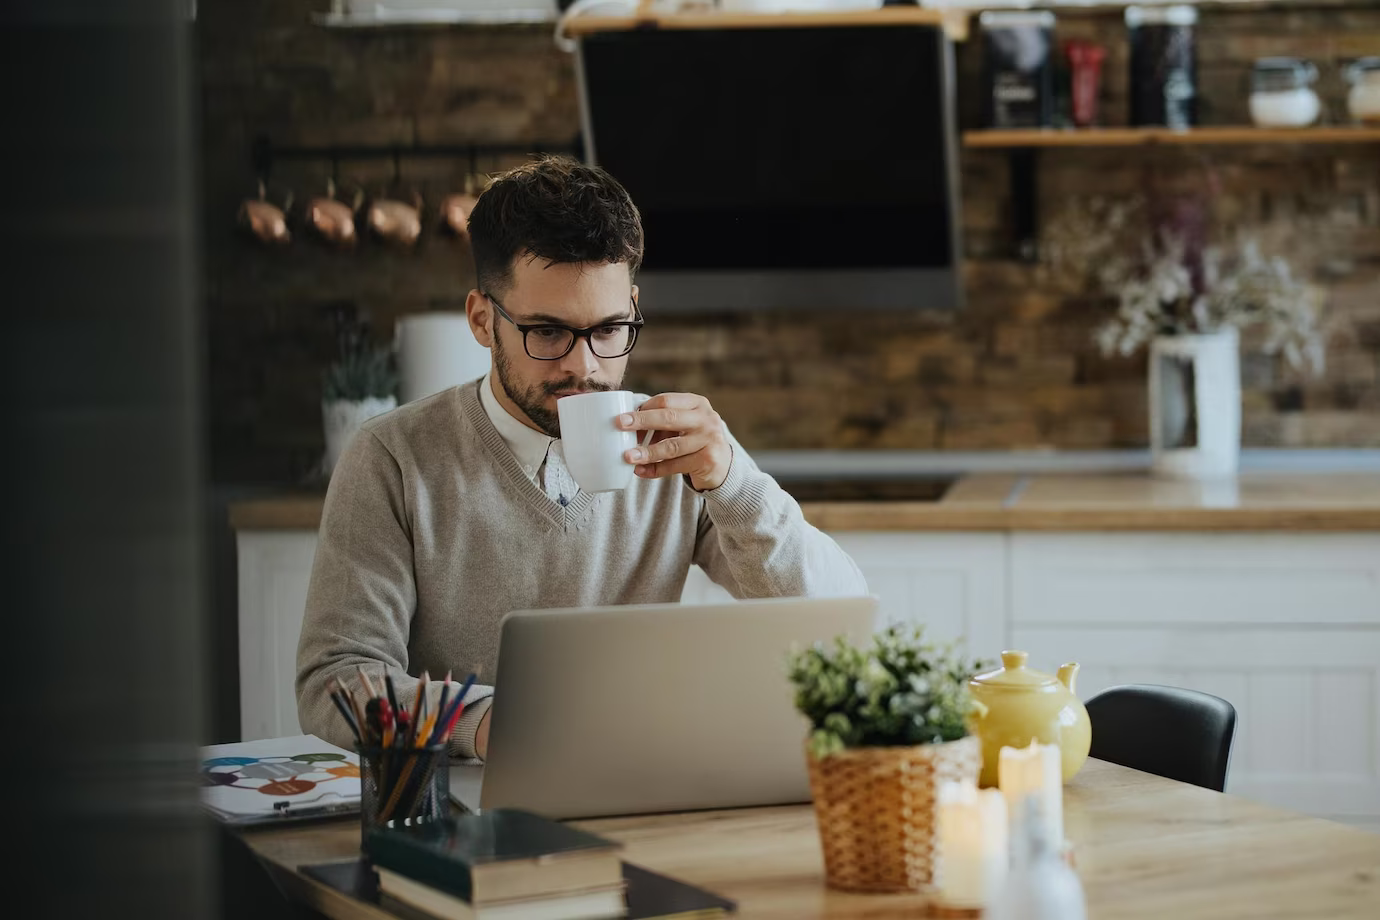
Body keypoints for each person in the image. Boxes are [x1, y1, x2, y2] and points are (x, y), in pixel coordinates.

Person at [296, 156, 867, 760]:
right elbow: (334, 678)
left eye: (610, 329)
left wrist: (735, 485)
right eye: (548, 332)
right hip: (461, 802)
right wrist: (492, 725)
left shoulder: (676, 447)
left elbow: (837, 621)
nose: (585, 366)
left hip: (641, 784)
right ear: (483, 320)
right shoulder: (391, 458)